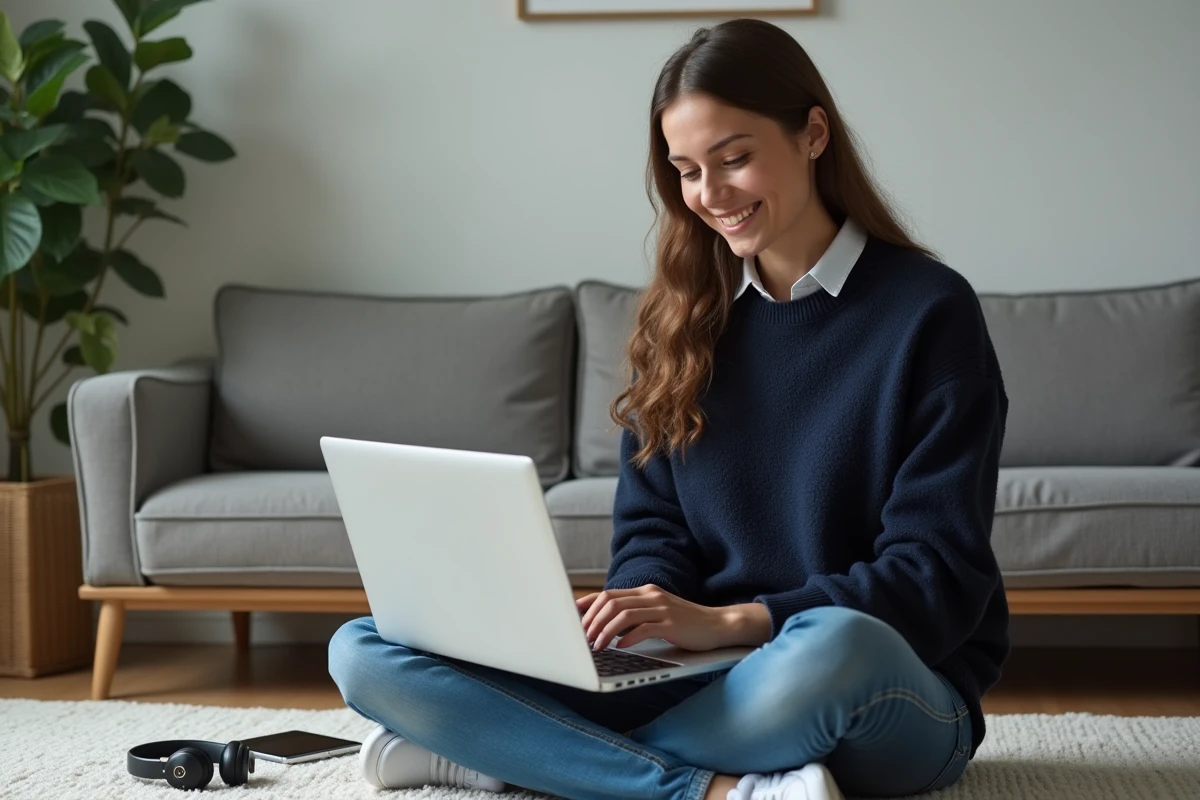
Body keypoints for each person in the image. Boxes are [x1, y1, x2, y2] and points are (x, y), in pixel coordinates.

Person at [328, 17, 1009, 800]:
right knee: (366, 645)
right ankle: (703, 790)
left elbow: (937, 579)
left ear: (813, 134)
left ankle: (499, 757)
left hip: (877, 686)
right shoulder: (683, 318)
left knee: (835, 644)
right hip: (703, 679)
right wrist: (639, 618)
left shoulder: (929, 312)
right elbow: (652, 534)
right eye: (686, 171)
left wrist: (730, 622)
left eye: (735, 158)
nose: (710, 196)